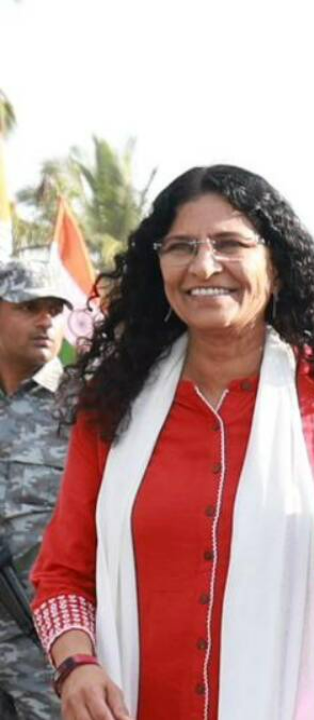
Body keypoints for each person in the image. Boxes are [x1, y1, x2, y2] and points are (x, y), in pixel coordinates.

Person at [29, 164, 314, 720]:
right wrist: (77, 666)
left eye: (230, 244)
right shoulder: (114, 404)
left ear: (276, 266)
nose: (204, 265)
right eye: (181, 246)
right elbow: (62, 574)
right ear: (158, 266)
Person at [0, 260, 72, 719]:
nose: (46, 320)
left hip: (42, 644)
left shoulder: (86, 407)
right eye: (30, 307)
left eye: (54, 308)